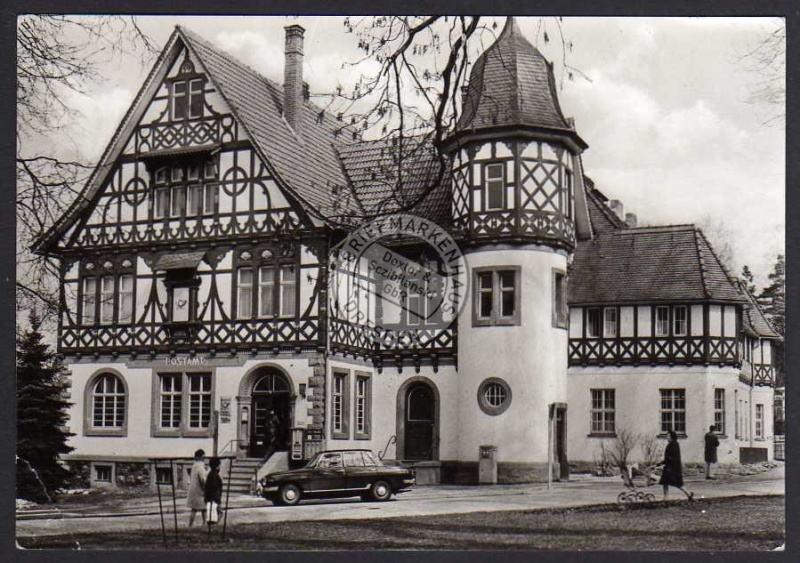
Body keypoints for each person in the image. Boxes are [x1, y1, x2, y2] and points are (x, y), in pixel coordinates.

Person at [659, 430, 693, 501]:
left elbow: (671, 457)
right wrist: (663, 462)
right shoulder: (674, 444)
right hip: (671, 467)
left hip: (671, 468)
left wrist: (664, 462)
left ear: (671, 436)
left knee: (676, 483)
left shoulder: (672, 445)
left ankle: (688, 494)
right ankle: (666, 497)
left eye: (668, 436)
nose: (667, 437)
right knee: (666, 482)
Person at [186, 449, 207, 526]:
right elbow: (203, 479)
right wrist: (206, 486)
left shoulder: (194, 466)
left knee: (194, 509)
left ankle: (190, 525)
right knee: (203, 509)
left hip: (194, 490)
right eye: (203, 457)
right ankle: (204, 524)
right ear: (200, 457)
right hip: (200, 491)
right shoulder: (200, 467)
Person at [204, 457, 223, 525]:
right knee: (216, 515)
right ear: (217, 466)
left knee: (214, 515)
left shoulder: (210, 474)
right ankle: (214, 526)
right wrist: (216, 500)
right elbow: (214, 488)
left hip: (211, 499)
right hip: (214, 499)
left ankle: (213, 526)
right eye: (219, 465)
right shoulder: (215, 476)